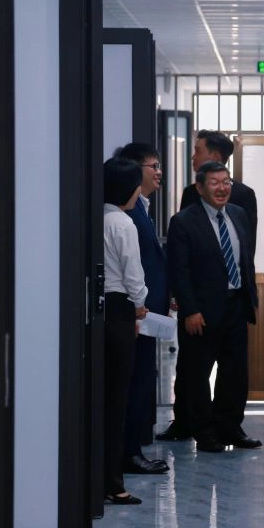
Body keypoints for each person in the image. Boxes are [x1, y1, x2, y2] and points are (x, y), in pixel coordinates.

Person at [158, 129, 257, 441]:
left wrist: (249, 296)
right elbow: (179, 268)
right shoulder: (184, 220)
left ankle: (230, 427)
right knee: (196, 371)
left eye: (226, 182)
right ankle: (203, 430)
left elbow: (246, 255)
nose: (222, 188)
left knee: (235, 371)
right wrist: (189, 308)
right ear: (199, 188)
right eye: (214, 183)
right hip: (201, 307)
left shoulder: (239, 213)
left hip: (235, 304)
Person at [116, 143, 170, 476]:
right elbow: (134, 269)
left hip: (148, 313)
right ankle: (130, 452)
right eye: (154, 166)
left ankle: (133, 448)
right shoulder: (126, 214)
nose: (159, 172)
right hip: (137, 314)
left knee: (142, 380)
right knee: (135, 382)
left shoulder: (142, 207)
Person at [102, 157, 150, 504]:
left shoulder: (97, 218)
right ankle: (114, 484)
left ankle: (100, 478)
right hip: (120, 308)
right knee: (117, 399)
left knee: (102, 398)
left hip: (100, 310)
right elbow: (133, 273)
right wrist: (140, 303)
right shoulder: (123, 223)